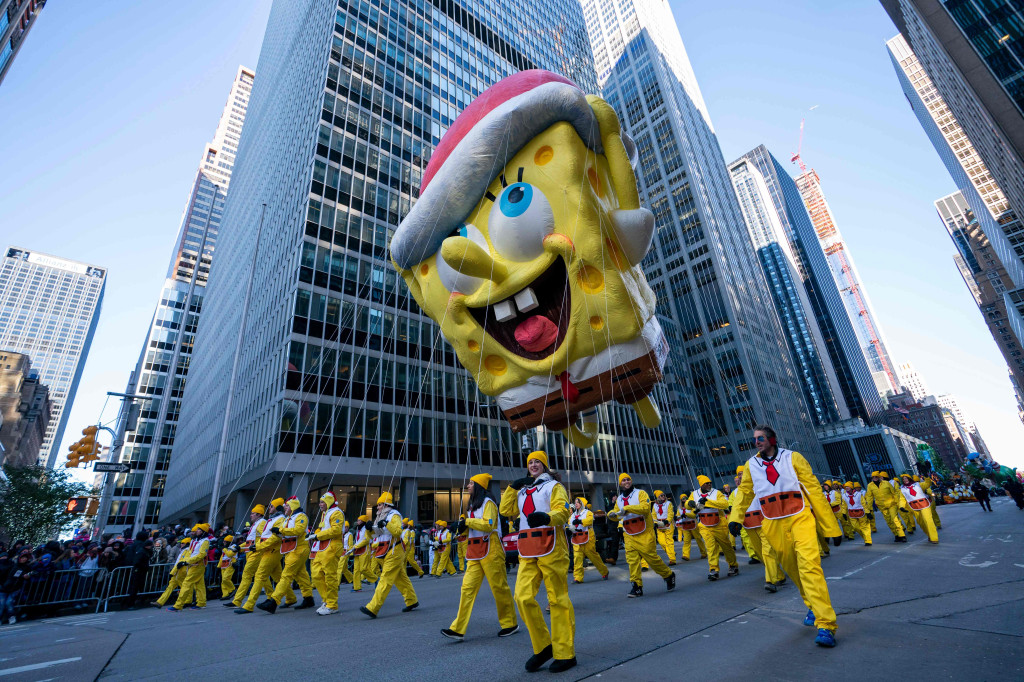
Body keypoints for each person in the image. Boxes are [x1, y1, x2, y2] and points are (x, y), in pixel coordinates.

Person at [729, 425, 842, 648]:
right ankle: (811, 603)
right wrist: (735, 517)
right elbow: (744, 493)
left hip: (800, 518)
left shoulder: (794, 458)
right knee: (792, 567)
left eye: (761, 438)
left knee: (809, 566)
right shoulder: (752, 465)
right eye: (755, 439)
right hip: (772, 523)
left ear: (772, 438)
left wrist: (831, 527)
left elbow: (814, 491)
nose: (757, 442)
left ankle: (826, 624)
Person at [499, 451, 576, 673]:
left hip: (551, 545)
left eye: (537, 462)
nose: (533, 465)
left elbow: (563, 511)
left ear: (544, 465)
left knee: (557, 599)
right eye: (530, 462)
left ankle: (566, 653)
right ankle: (544, 646)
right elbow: (506, 511)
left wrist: (547, 518)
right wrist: (513, 488)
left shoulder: (554, 486)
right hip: (528, 548)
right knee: (522, 597)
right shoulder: (522, 490)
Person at [442, 473, 518, 640]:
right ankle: (458, 628)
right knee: (467, 589)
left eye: (470, 483)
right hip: (475, 551)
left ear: (478, 486)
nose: (467, 486)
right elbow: (477, 526)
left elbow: (489, 524)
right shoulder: (473, 506)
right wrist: (461, 528)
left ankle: (510, 623)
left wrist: (467, 522)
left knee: (499, 588)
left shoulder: (488, 503)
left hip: (492, 549)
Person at [612, 473, 675, 597]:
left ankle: (668, 575)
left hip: (645, 531)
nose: (626, 482)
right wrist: (613, 516)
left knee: (651, 558)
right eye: (623, 480)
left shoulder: (640, 493)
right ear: (620, 483)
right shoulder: (619, 499)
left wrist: (628, 508)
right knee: (632, 561)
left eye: (628, 479)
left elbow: (645, 508)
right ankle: (636, 586)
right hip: (629, 533)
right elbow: (617, 513)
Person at [360, 492, 418, 618]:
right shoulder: (379, 517)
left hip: (394, 550)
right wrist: (370, 529)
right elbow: (375, 536)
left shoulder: (394, 515)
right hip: (385, 551)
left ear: (386, 505)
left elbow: (397, 532)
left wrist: (386, 524)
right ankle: (411, 600)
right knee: (400, 578)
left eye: (380, 504)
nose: (378, 507)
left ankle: (373, 608)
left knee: (385, 579)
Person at [258, 496, 315, 613]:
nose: (285, 507)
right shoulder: (288, 518)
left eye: (287, 505)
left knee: (286, 575)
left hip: (299, 548)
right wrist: (278, 532)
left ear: (293, 506)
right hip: (291, 549)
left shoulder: (301, 516)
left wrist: (280, 531)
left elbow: (298, 531)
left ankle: (274, 601)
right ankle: (308, 598)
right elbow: (284, 532)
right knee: (301, 575)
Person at [236, 498, 286, 614]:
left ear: (278, 508)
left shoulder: (279, 519)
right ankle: (291, 598)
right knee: (278, 577)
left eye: (272, 506)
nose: (269, 508)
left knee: (260, 576)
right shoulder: (271, 520)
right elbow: (263, 537)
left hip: (272, 550)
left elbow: (275, 537)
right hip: (267, 550)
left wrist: (257, 547)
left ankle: (249, 605)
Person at [687, 475, 738, 581]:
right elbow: (688, 504)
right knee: (710, 548)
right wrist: (689, 503)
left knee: (726, 546)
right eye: (707, 483)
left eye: (710, 482)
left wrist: (707, 502)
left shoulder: (716, 493)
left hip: (719, 523)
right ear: (701, 485)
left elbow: (724, 504)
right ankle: (713, 569)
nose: (709, 484)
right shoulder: (694, 493)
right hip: (704, 525)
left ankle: (733, 565)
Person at [227, 504, 275, 608]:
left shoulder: (261, 523)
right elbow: (250, 541)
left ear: (259, 514)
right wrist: (240, 547)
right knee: (263, 577)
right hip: (251, 553)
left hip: (256, 553)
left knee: (247, 575)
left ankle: (237, 601)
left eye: (253, 513)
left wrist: (258, 548)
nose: (251, 515)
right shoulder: (256, 524)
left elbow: (264, 537)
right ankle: (271, 597)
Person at [309, 490, 346, 615]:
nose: (320, 504)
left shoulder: (337, 513)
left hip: (332, 546)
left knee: (330, 576)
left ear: (328, 502)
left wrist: (317, 535)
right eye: (320, 502)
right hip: (323, 545)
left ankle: (332, 604)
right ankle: (327, 600)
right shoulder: (327, 513)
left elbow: (335, 530)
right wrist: (314, 534)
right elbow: (324, 528)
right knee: (315, 573)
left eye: (322, 502)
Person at [738, 495, 783, 592]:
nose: (739, 479)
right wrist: (734, 521)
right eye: (738, 479)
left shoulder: (760, 485)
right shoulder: (737, 492)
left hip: (765, 524)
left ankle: (770, 581)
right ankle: (778, 574)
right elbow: (735, 508)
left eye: (741, 478)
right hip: (749, 526)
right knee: (758, 552)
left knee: (767, 551)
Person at [169, 524, 209, 611]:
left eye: (198, 530)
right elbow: (191, 553)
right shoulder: (195, 540)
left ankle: (178, 605)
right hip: (193, 564)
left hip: (197, 565)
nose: (194, 532)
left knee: (187, 583)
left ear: (203, 531)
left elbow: (201, 555)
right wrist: (186, 562)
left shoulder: (205, 541)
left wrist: (187, 561)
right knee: (199, 584)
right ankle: (201, 602)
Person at [568, 496, 608, 583]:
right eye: (575, 502)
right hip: (576, 538)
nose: (576, 504)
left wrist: (580, 521)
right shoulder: (573, 515)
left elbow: (590, 520)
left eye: (578, 502)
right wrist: (569, 528)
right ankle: (578, 577)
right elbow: (569, 524)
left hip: (588, 537)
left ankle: (604, 571)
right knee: (577, 558)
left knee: (593, 556)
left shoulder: (588, 512)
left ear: (583, 503)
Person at [863, 472, 906, 542]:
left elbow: (894, 493)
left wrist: (898, 503)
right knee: (889, 521)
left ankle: (902, 535)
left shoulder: (886, 483)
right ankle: (896, 534)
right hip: (882, 507)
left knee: (895, 519)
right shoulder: (870, 486)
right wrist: (869, 510)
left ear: (879, 477)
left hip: (892, 504)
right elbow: (869, 498)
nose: (875, 478)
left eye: (876, 477)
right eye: (873, 477)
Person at [729, 467, 761, 562]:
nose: (741, 476)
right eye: (739, 474)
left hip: (759, 517)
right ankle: (754, 556)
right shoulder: (734, 492)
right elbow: (731, 503)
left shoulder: (758, 485)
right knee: (746, 539)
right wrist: (731, 508)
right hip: (744, 520)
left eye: (742, 473)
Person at [898, 473, 939, 544]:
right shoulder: (902, 489)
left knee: (928, 521)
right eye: (904, 479)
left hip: (924, 504)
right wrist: (901, 506)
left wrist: (926, 476)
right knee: (921, 523)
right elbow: (902, 499)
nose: (905, 480)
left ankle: (934, 538)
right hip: (914, 507)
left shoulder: (918, 484)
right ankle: (929, 535)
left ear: (909, 478)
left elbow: (927, 484)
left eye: (906, 478)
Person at [674, 493, 706, 562]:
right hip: (685, 525)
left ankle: (704, 553)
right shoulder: (679, 508)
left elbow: (693, 514)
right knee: (686, 541)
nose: (684, 499)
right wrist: (676, 517)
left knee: (698, 539)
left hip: (693, 524)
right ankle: (686, 555)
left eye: (685, 497)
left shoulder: (691, 505)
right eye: (683, 498)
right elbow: (678, 515)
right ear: (681, 500)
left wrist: (685, 514)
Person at [651, 490, 677, 566]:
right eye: (661, 496)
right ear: (657, 497)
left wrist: (667, 521)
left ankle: (672, 559)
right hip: (659, 525)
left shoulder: (668, 503)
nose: (663, 497)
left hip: (668, 524)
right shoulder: (654, 505)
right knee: (661, 541)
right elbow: (653, 515)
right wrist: (655, 523)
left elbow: (670, 513)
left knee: (669, 542)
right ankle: (671, 553)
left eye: (664, 495)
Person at [347, 515, 371, 591]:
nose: (357, 522)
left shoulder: (366, 529)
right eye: (357, 520)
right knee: (356, 570)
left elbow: (366, 540)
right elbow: (357, 540)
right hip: (357, 550)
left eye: (359, 521)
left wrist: (355, 546)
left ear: (363, 522)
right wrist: (354, 547)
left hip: (365, 550)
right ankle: (356, 587)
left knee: (363, 569)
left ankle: (375, 579)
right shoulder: (358, 529)